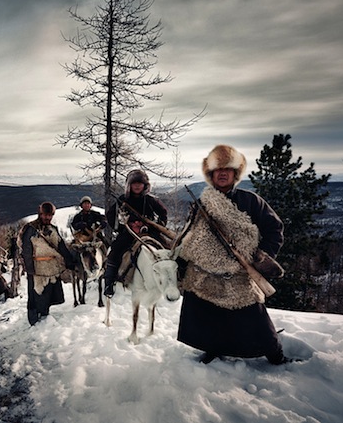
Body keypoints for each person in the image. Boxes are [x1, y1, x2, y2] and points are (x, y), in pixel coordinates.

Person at [175, 144, 289, 365]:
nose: (223, 173)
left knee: (255, 319)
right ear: (212, 174)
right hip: (206, 273)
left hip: (239, 272)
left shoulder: (251, 201)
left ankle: (275, 354)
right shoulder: (202, 204)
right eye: (219, 170)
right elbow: (192, 235)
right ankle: (212, 348)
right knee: (207, 314)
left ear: (235, 174)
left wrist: (261, 257)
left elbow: (274, 229)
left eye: (228, 170)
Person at [103, 169, 168, 297]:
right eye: (134, 183)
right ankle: (109, 283)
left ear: (145, 185)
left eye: (140, 183)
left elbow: (163, 213)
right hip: (129, 233)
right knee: (115, 250)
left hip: (148, 232)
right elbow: (111, 215)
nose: (137, 186)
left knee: (167, 249)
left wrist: (155, 227)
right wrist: (121, 228)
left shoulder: (151, 200)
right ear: (129, 185)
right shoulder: (123, 200)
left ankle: (174, 279)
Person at [19, 201, 76, 325]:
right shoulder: (30, 229)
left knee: (48, 293)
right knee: (35, 294)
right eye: (45, 215)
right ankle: (34, 320)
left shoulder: (52, 229)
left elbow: (61, 247)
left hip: (51, 268)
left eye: (50, 215)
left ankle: (45, 316)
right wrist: (30, 269)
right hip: (36, 268)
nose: (48, 218)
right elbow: (26, 250)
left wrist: (70, 260)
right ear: (40, 213)